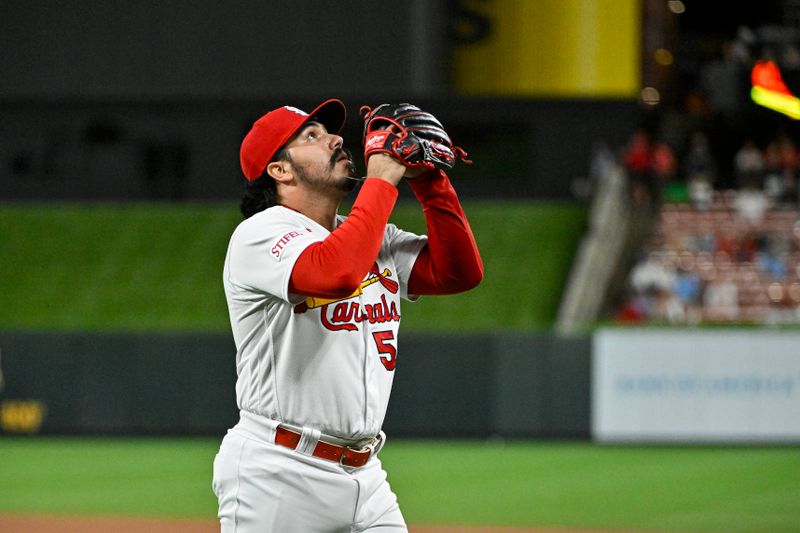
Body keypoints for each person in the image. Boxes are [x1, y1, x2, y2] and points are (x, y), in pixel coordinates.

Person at [212, 99, 483, 532]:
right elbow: (335, 273)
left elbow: (459, 273)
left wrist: (431, 181)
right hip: (280, 471)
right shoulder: (260, 234)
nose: (337, 139)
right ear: (280, 170)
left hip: (366, 474)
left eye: (330, 132)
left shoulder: (367, 236)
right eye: (312, 136)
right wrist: (381, 182)